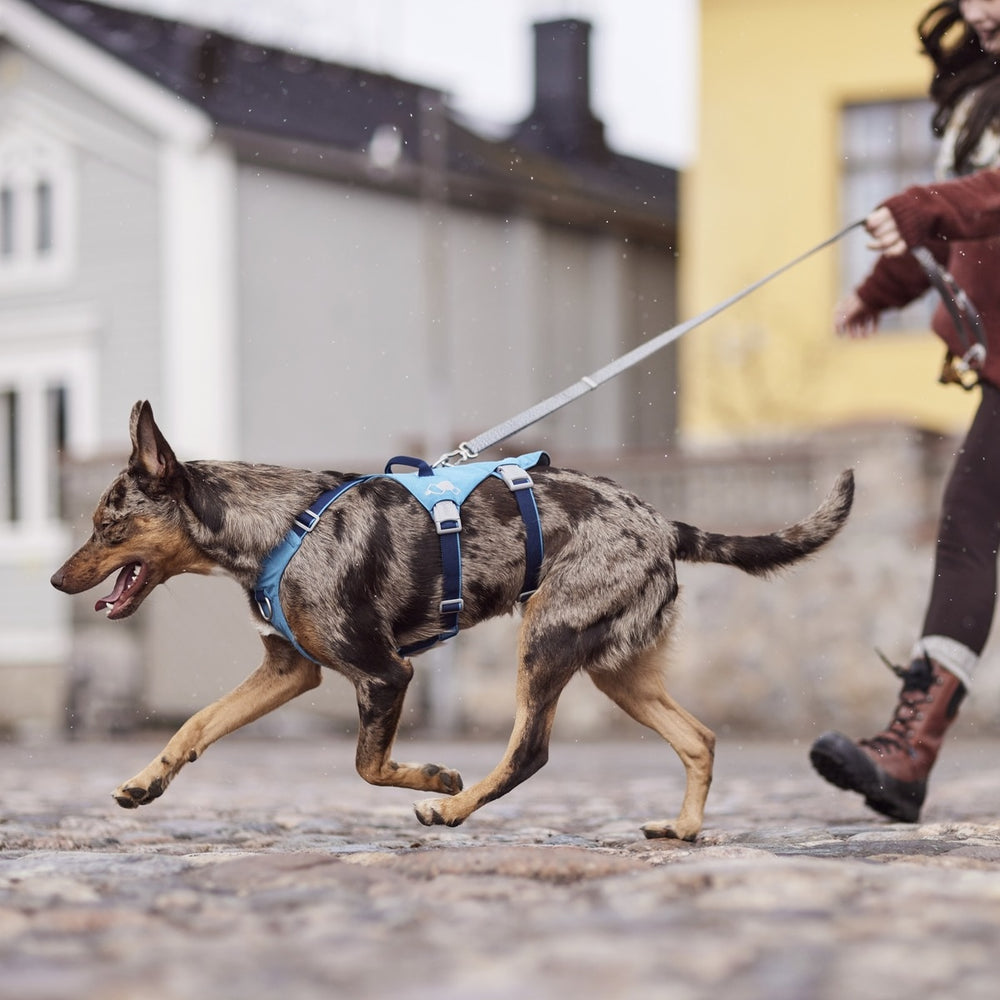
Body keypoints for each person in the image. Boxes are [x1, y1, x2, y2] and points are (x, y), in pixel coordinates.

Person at [810, 0, 1000, 822]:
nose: (979, 9)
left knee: (967, 529)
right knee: (967, 529)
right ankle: (909, 753)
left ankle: (912, 752)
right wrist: (881, 288)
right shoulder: (979, 95)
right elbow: (965, 228)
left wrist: (925, 203)